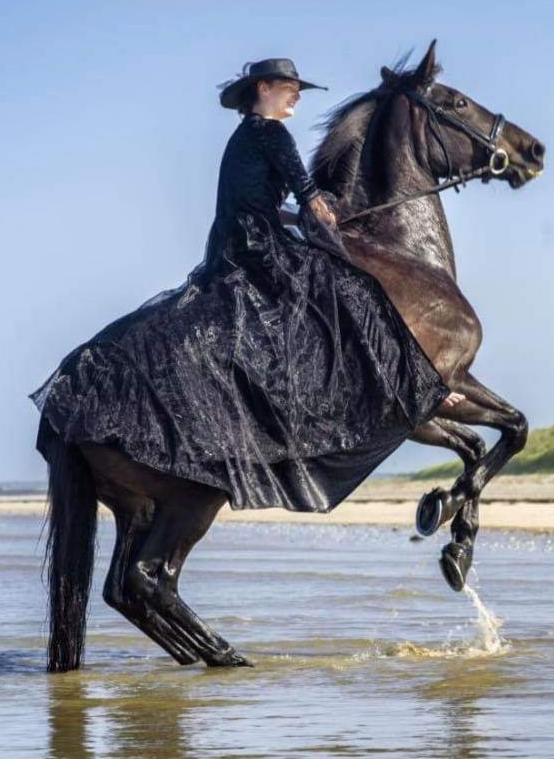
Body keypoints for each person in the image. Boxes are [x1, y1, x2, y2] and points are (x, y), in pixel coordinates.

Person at [28, 58, 454, 512]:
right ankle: (416, 387)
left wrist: (302, 212)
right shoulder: (271, 133)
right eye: (290, 87)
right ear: (264, 88)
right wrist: (330, 212)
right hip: (260, 248)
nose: (296, 95)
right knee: (354, 292)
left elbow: (262, 203)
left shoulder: (243, 137)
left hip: (233, 243)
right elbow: (312, 201)